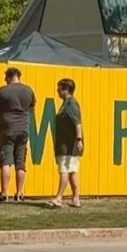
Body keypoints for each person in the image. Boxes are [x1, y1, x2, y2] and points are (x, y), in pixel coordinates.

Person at [0, 67, 36, 202]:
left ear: (9, 77)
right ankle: (20, 193)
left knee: (6, 161)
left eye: (6, 78)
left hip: (7, 129)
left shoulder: (3, 91)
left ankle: (4, 193)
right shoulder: (29, 90)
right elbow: (32, 109)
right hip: (23, 128)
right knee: (20, 161)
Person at [48, 78, 84, 208]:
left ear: (66, 89)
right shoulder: (66, 103)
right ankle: (76, 198)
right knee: (72, 171)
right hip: (67, 144)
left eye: (59, 88)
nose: (57, 90)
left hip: (68, 145)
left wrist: (79, 140)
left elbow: (77, 123)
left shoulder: (71, 105)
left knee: (64, 169)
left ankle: (59, 198)